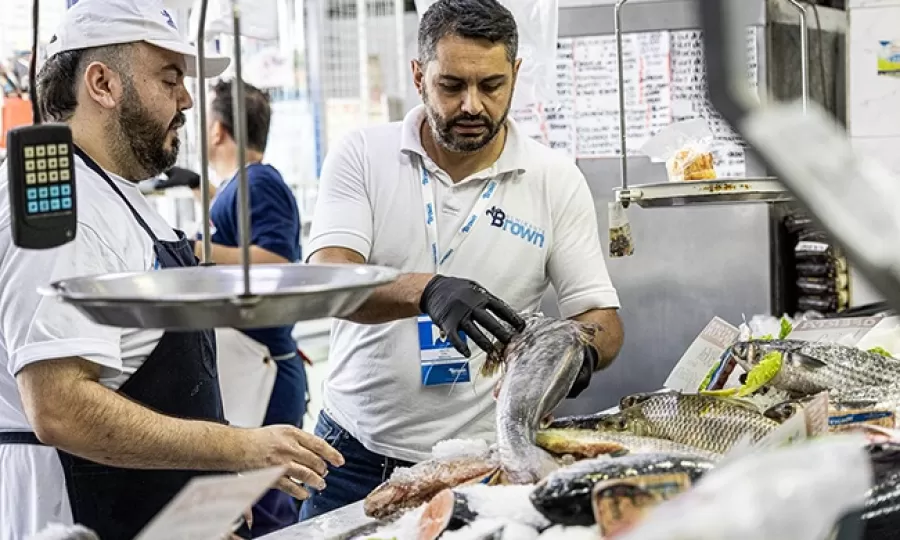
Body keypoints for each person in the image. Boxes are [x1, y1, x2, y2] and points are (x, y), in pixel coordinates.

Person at [0, 2, 343, 539]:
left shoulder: (114, 191)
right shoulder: (64, 205)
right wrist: (240, 448)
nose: (186, 99)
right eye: (169, 79)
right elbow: (59, 407)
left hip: (145, 509)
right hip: (80, 512)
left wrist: (205, 489)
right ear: (102, 84)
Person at [300, 0, 624, 520]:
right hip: (354, 457)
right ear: (418, 77)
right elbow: (326, 283)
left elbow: (601, 319)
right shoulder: (362, 154)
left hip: (485, 460)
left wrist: (579, 352)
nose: (472, 105)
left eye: (492, 86)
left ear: (515, 75)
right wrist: (425, 290)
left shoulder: (554, 179)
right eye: (451, 86)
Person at [196, 78, 308, 536]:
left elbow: (277, 261)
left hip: (264, 371)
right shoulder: (239, 186)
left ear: (217, 130)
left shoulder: (258, 181)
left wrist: (194, 250)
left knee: (264, 512)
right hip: (248, 368)